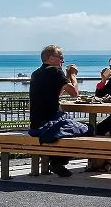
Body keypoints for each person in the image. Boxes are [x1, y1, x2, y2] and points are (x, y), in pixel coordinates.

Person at [28, 44, 91, 178]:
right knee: (88, 129)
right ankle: (59, 161)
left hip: (35, 125)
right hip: (49, 125)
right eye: (61, 58)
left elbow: (57, 93)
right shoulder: (55, 71)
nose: (62, 61)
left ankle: (56, 160)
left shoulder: (36, 73)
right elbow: (74, 93)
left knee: (73, 127)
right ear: (51, 58)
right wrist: (73, 75)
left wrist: (66, 77)